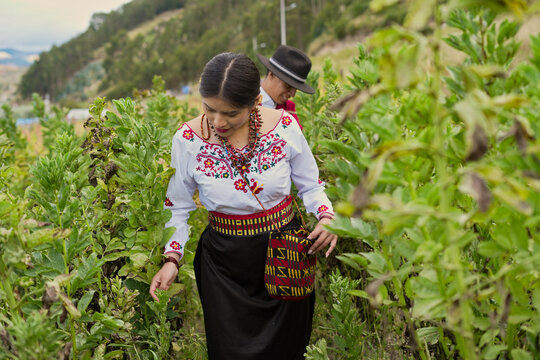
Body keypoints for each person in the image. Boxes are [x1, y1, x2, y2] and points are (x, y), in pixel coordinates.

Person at [150, 52, 337, 360]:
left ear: (254, 102)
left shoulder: (285, 127)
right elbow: (177, 206)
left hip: (284, 255)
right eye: (210, 109)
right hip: (224, 267)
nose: (218, 121)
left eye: (231, 113)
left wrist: (326, 216)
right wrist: (172, 257)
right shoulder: (187, 140)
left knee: (288, 350)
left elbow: (311, 184)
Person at [257, 45, 315, 126]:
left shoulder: (289, 108)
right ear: (272, 74)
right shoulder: (245, 103)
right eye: (288, 86)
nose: (293, 94)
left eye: (296, 89)